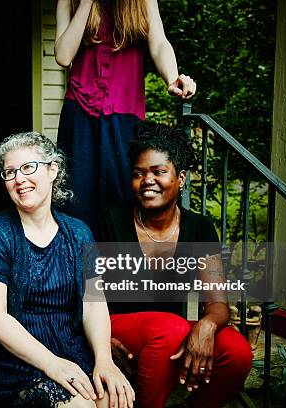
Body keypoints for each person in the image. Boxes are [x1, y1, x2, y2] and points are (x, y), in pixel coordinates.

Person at [0, 132, 134, 407]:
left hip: (70, 348)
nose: (19, 179)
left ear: (53, 169)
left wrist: (104, 360)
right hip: (14, 359)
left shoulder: (80, 233)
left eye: (28, 167)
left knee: (114, 401)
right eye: (10, 172)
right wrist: (52, 364)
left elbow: (93, 303)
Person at [97, 123, 253, 407]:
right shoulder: (110, 221)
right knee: (170, 328)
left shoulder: (199, 228)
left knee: (237, 352)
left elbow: (218, 303)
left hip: (171, 333)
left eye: (158, 172)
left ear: (180, 179)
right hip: (118, 329)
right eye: (138, 174)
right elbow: (87, 295)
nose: (147, 180)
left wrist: (206, 326)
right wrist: (99, 341)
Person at [54, 0, 196, 229]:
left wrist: (172, 78)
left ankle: (120, 263)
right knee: (76, 199)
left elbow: (159, 42)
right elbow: (63, 56)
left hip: (125, 115)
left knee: (124, 199)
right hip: (79, 115)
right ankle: (79, 262)